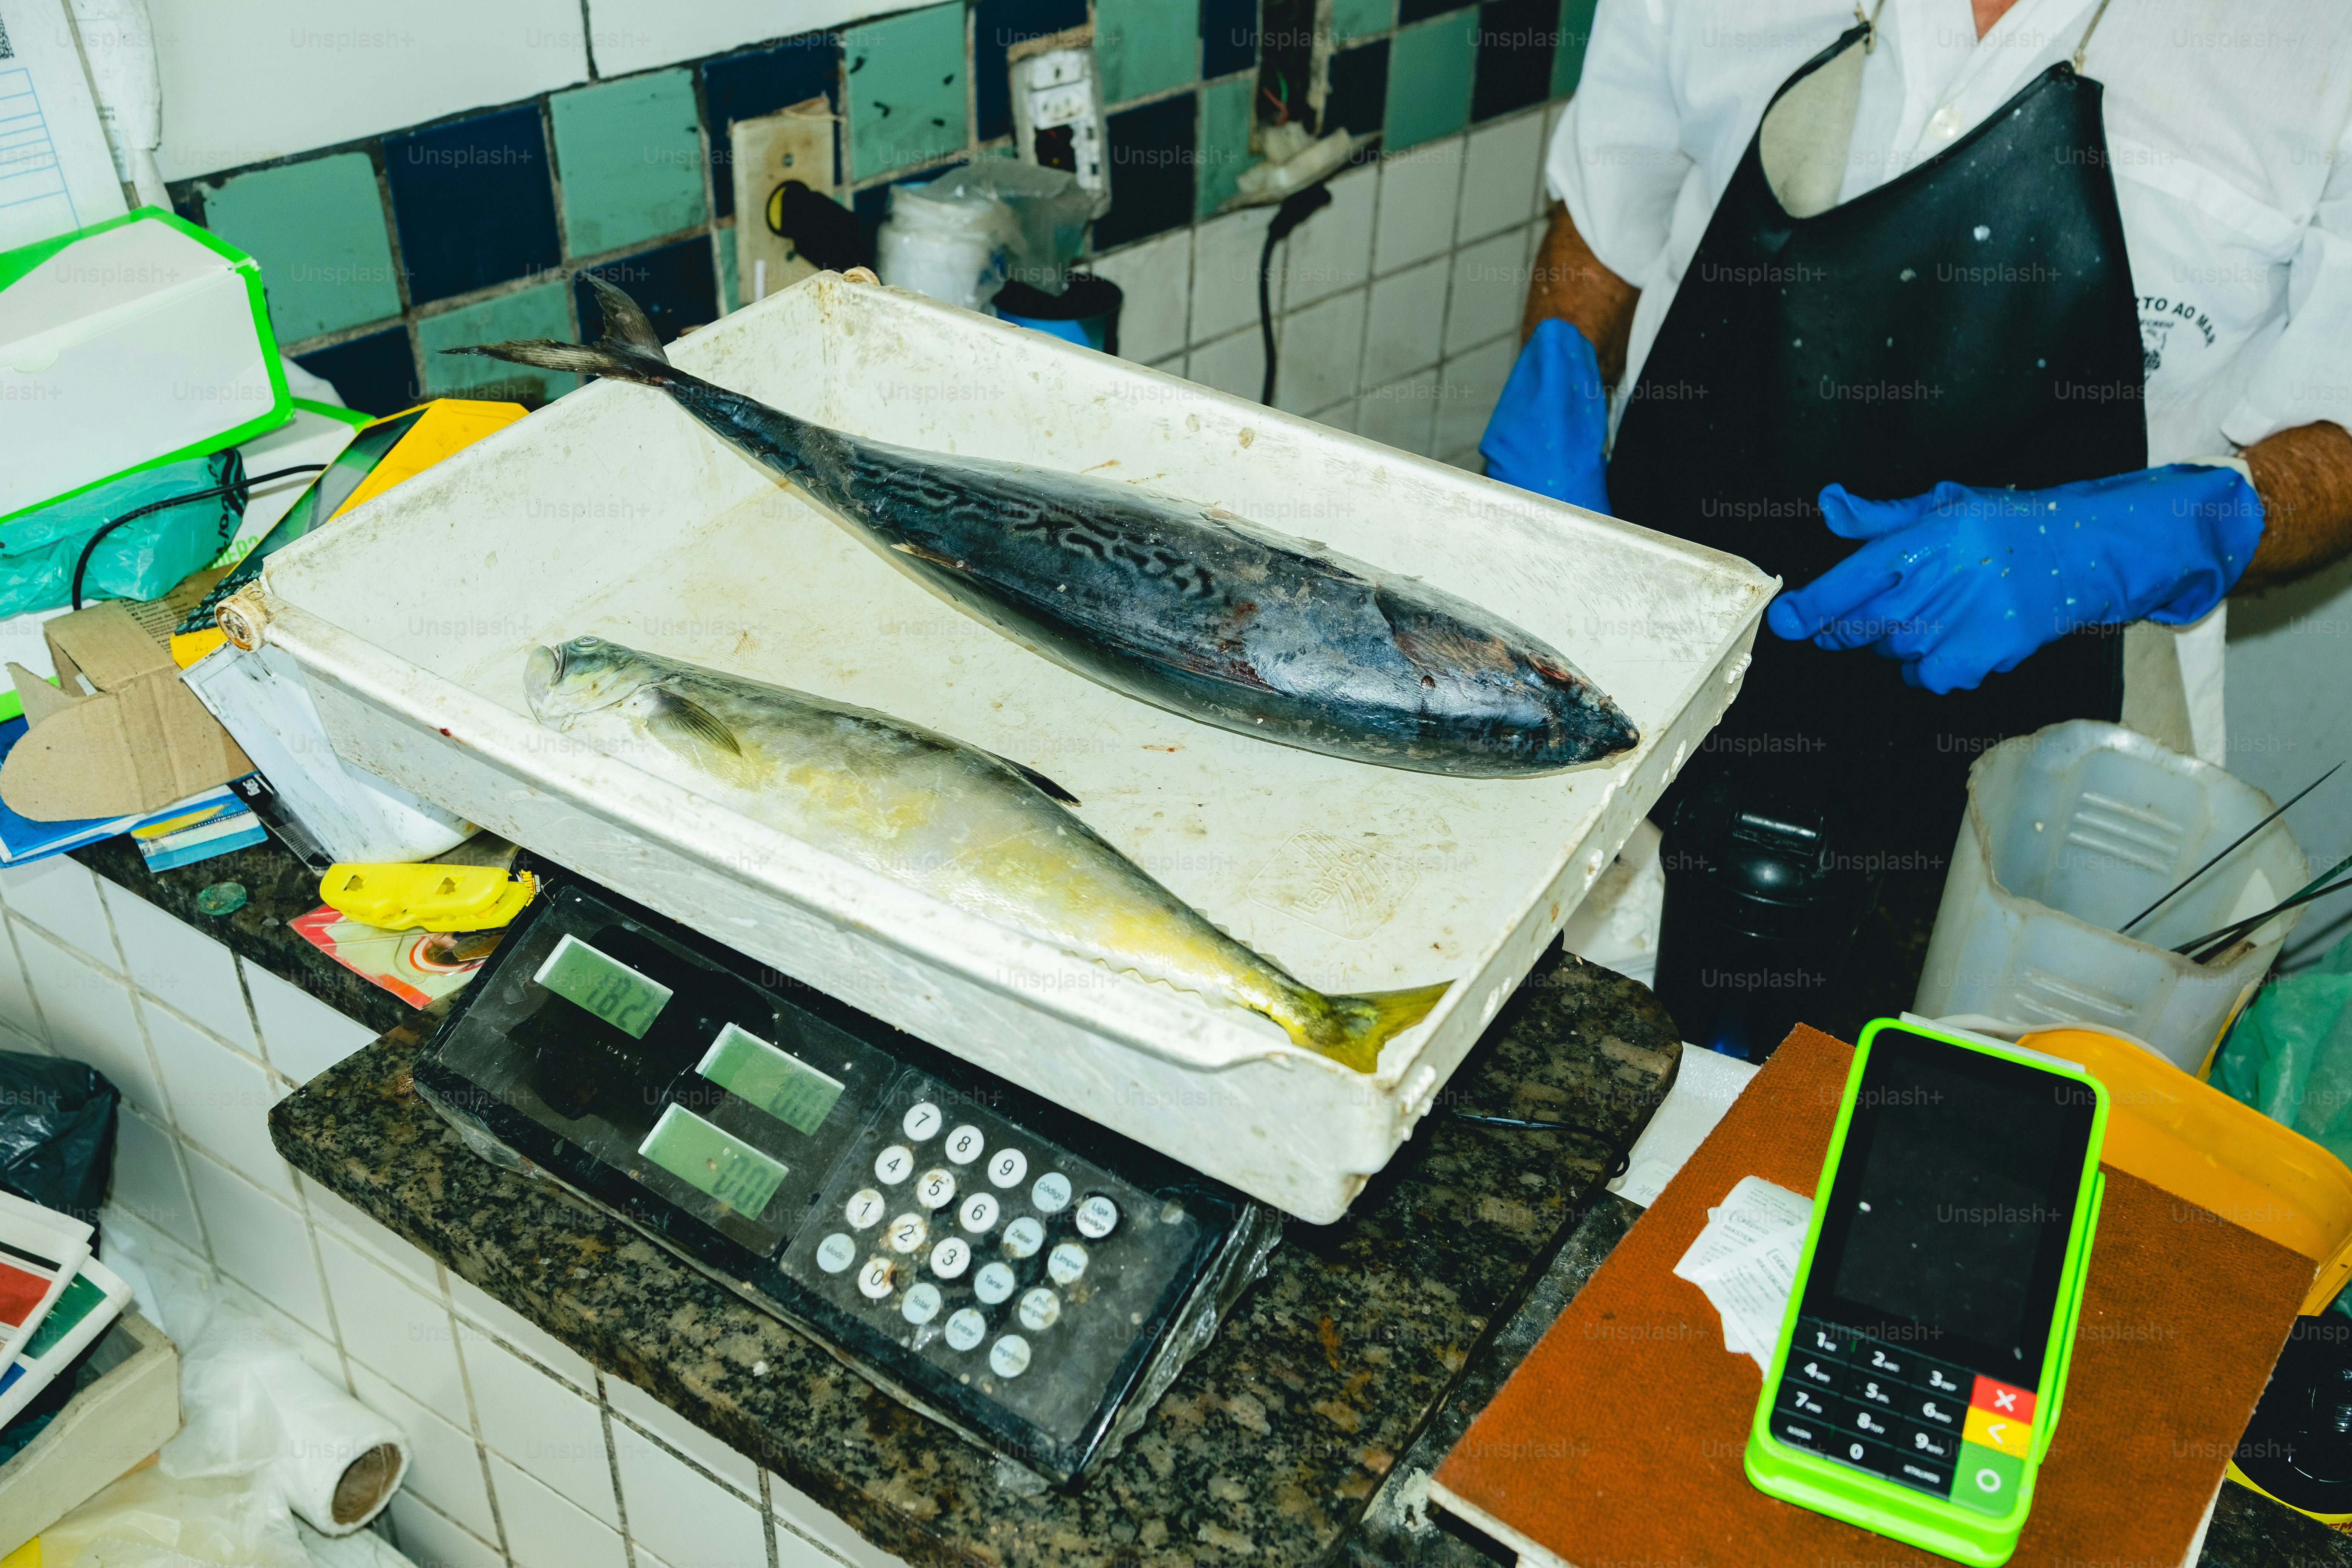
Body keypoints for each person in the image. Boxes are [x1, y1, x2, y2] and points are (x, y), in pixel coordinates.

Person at [1483, 0, 2352, 848]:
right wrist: (1559, 369)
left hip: (2047, 766)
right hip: (1646, 671)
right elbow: (1608, 215)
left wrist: (2168, 534)